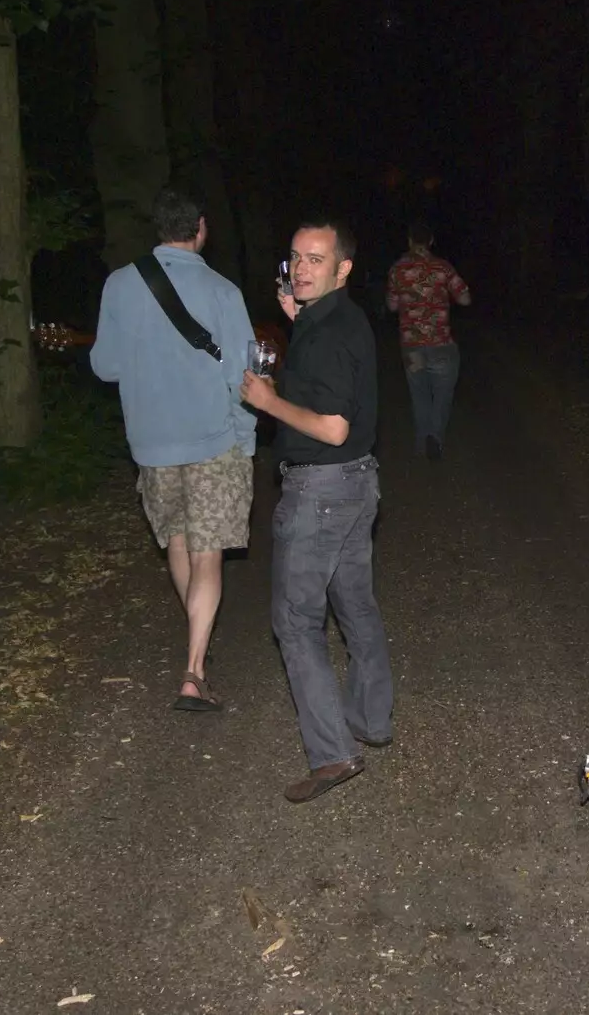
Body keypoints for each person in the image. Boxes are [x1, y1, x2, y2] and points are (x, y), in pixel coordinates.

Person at [240, 219, 393, 803]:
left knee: (296, 622)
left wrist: (268, 400)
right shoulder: (338, 319)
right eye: (296, 257)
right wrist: (299, 319)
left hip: (323, 490)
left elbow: (333, 427)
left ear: (342, 268)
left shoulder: (328, 332)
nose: (302, 268)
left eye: (316, 259)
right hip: (357, 484)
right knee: (355, 604)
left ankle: (333, 753)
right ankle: (372, 719)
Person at [91, 187, 257, 711]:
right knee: (209, 555)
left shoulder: (119, 285)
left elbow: (105, 366)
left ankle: (197, 646)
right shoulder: (225, 292)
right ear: (201, 227)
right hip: (213, 441)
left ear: (157, 228)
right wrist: (247, 439)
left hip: (152, 444)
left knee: (179, 545)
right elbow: (243, 375)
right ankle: (193, 669)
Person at [386, 220, 471, 459]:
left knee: (419, 395)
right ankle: (436, 437)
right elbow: (465, 299)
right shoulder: (443, 268)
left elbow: (392, 305)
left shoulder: (397, 270)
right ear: (431, 241)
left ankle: (422, 444)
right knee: (442, 396)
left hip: (412, 347)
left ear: (410, 241)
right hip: (441, 344)